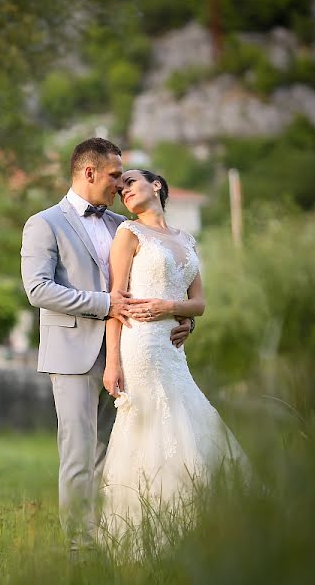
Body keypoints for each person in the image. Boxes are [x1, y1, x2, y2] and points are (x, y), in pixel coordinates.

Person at [20, 138, 193, 545]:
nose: (120, 184)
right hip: (73, 357)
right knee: (79, 457)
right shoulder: (44, 223)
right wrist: (103, 303)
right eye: (115, 175)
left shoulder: (123, 226)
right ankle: (81, 550)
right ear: (89, 172)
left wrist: (185, 320)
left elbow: (155, 281)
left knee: (116, 458)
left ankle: (117, 540)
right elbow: (38, 289)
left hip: (130, 356)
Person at [99, 169, 248, 550]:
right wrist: (112, 363)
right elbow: (117, 301)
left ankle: (200, 524)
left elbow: (199, 303)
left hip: (172, 348)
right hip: (140, 345)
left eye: (130, 182)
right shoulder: (127, 234)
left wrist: (172, 307)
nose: (124, 190)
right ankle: (147, 531)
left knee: (189, 417)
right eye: (120, 189)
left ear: (157, 186)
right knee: (152, 426)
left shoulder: (186, 239)